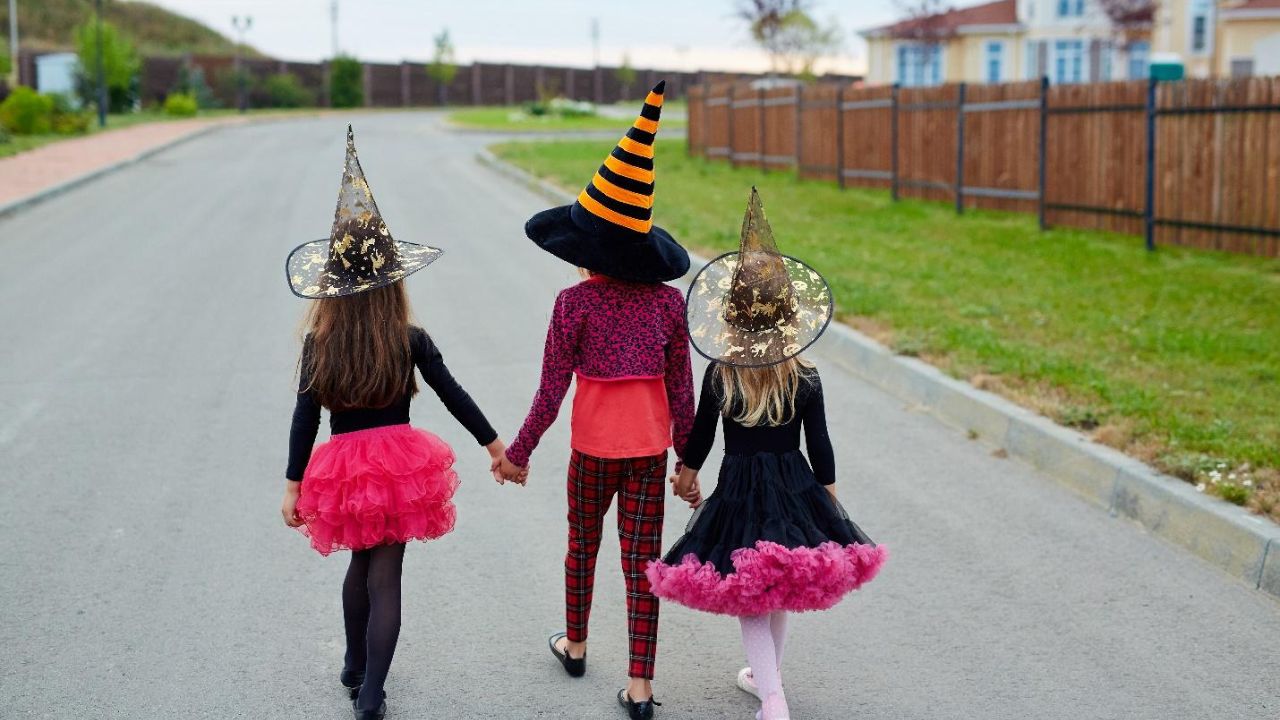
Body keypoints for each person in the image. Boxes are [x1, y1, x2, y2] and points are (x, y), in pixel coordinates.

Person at [280, 126, 507, 720]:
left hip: (345, 464)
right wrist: (493, 445)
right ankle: (372, 693)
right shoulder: (409, 337)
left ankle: (354, 665)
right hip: (399, 461)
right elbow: (452, 393)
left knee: (359, 562)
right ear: (392, 283)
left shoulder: (320, 342)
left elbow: (305, 416)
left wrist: (293, 484)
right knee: (387, 575)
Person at [646, 188, 888, 720]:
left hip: (740, 491)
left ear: (732, 317)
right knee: (775, 585)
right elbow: (819, 444)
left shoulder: (723, 373)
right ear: (788, 315)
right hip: (794, 486)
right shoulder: (805, 375)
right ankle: (764, 678)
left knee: (749, 589)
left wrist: (685, 475)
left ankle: (773, 697)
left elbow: (702, 437)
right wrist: (827, 498)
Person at [492, 81, 694, 720]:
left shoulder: (573, 304)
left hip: (592, 454)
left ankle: (576, 645)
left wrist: (518, 453)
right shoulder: (669, 304)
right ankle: (641, 687)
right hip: (648, 456)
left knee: (582, 546)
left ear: (587, 252)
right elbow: (682, 390)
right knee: (643, 566)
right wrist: (688, 461)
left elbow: (551, 390)